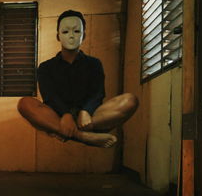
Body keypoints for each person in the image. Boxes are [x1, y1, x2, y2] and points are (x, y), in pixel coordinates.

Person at [18, 10, 138, 148]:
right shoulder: (46, 67)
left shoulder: (94, 64)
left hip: (89, 117)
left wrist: (86, 111)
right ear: (58, 36)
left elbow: (98, 93)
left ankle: (65, 132)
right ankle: (82, 136)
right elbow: (50, 97)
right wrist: (66, 115)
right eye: (65, 32)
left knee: (130, 100)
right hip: (58, 117)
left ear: (84, 35)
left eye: (76, 31)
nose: (71, 36)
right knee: (25, 103)